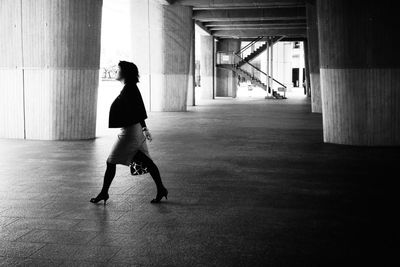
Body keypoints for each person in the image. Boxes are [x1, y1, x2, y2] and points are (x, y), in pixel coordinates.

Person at [90, 61, 168, 205]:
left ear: (124, 72)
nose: (115, 72)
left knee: (111, 161)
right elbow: (138, 110)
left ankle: (104, 193)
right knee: (146, 161)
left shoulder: (129, 88)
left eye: (117, 70)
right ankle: (161, 189)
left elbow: (138, 110)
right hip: (134, 129)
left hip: (130, 132)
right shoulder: (130, 87)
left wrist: (144, 128)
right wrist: (144, 128)